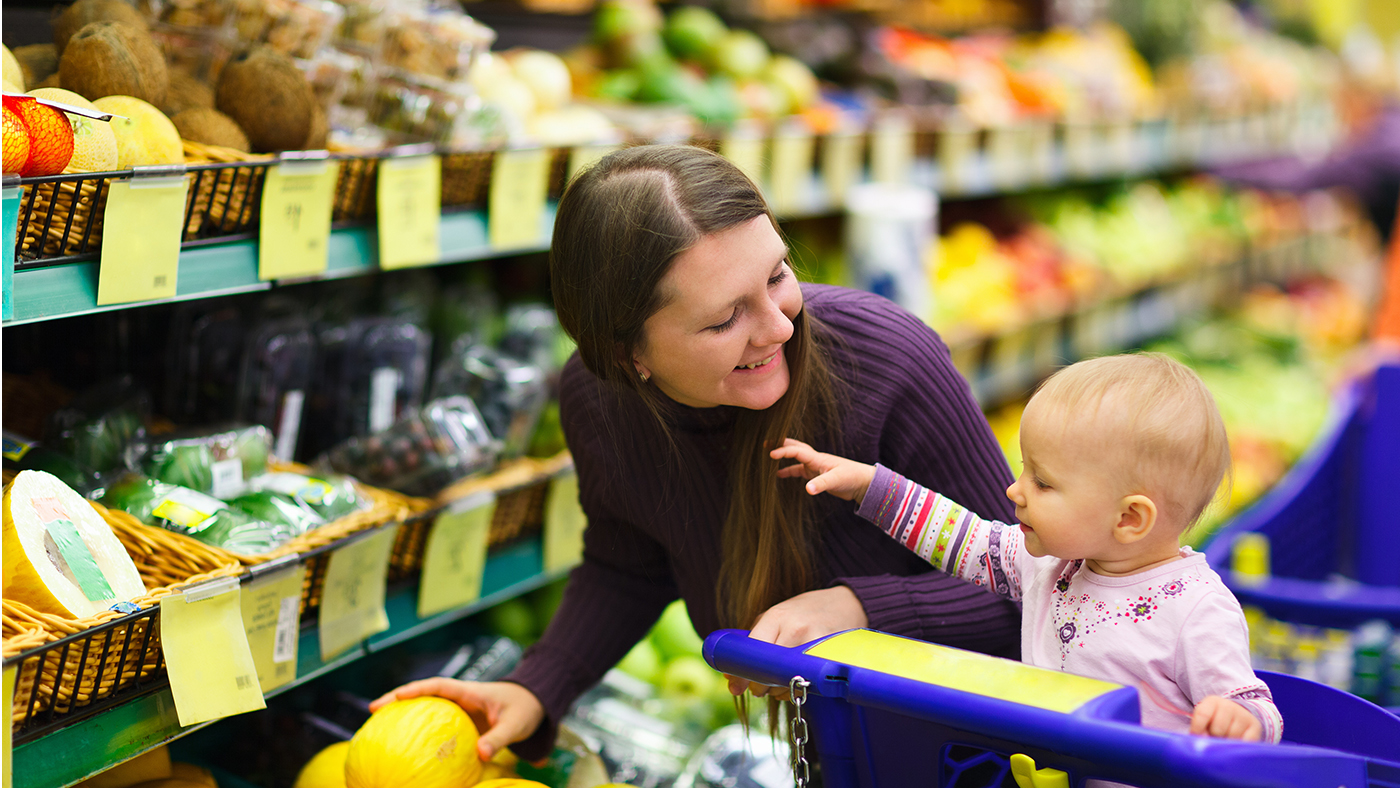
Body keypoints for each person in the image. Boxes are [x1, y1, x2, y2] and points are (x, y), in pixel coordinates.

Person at [370, 144, 1023, 761]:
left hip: (985, 746)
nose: (778, 325)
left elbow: (1034, 585)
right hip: (832, 748)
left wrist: (858, 610)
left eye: (778, 275)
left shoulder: (886, 359)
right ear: (632, 355)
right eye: (723, 319)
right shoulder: (599, 400)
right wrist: (538, 686)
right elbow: (628, 563)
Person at [770, 353, 1284, 743]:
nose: (1015, 490)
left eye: (1042, 482)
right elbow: (959, 535)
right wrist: (868, 486)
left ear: (1129, 517)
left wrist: (1240, 722)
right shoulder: (1047, 564)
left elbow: (1256, 704)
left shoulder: (1194, 609)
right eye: (1024, 469)